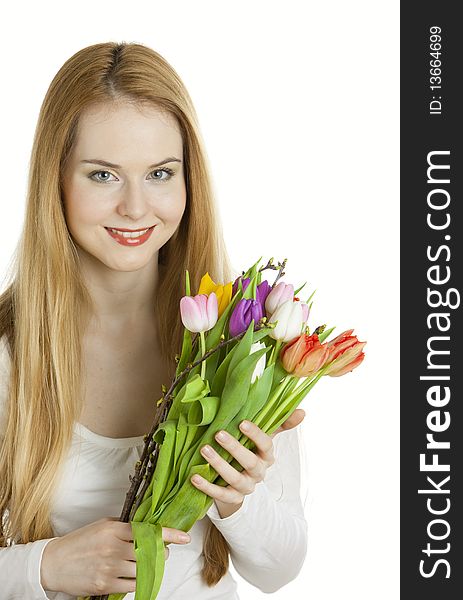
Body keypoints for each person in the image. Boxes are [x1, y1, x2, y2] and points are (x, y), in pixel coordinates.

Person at [0, 41, 308, 599]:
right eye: (103, 176)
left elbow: (279, 570)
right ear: (56, 181)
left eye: (161, 173)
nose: (137, 208)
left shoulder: (242, 343)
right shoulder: (7, 354)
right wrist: (41, 567)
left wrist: (240, 498)